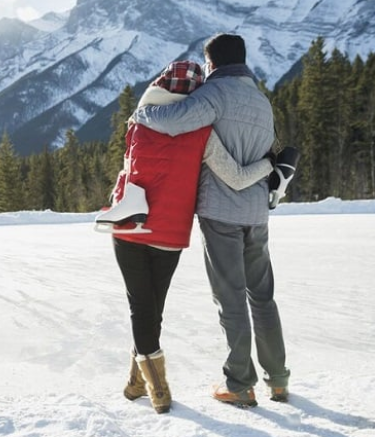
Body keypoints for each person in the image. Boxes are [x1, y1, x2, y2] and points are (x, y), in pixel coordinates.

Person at [102, 60, 273, 414]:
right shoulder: (204, 133)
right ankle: (138, 382)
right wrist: (270, 165)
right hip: (171, 234)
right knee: (153, 308)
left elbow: (126, 171)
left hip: (131, 227)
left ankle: (158, 389)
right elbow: (237, 177)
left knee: (141, 306)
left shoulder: (140, 121)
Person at [133, 33, 291, 408]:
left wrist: (142, 113)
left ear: (212, 63)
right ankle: (279, 380)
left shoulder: (214, 93)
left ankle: (238, 383)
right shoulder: (261, 101)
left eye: (206, 64)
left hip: (221, 211)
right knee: (262, 296)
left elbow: (173, 122)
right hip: (256, 213)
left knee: (231, 298)